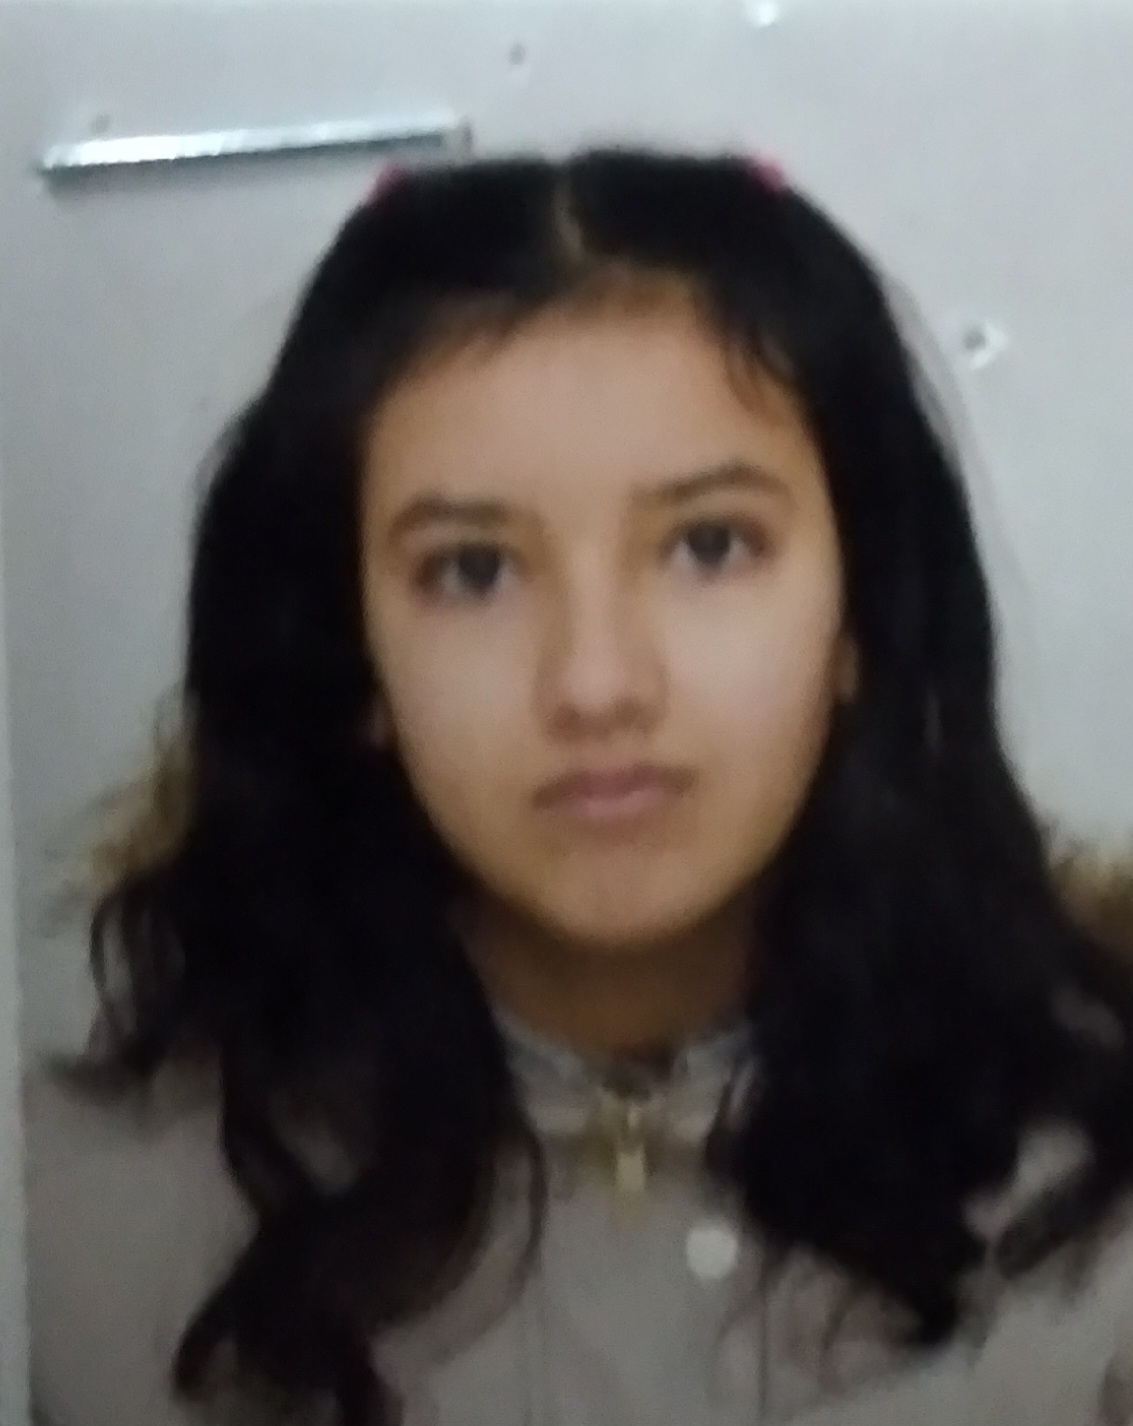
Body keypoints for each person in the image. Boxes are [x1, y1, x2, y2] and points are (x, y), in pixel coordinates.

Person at [37, 147, 1133, 1426]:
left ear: (859, 614)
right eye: (472, 571)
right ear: (353, 649)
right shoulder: (83, 1228)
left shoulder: (1094, 1201)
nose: (595, 683)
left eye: (708, 545)